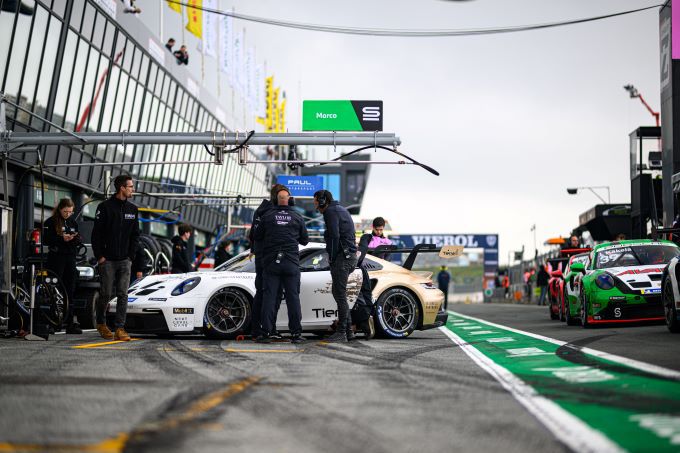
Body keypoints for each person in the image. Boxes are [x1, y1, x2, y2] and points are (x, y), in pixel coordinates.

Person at [254, 186, 309, 344]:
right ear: (289, 200)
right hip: (291, 262)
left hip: (272, 262)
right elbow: (305, 240)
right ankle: (296, 334)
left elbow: (257, 235)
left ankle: (266, 333)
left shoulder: (267, 216)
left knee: (269, 297)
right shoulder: (297, 216)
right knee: (293, 298)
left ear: (276, 200)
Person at [91, 175, 140, 341]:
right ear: (122, 188)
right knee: (105, 293)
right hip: (107, 260)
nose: (133, 189)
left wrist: (131, 257)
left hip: (125, 260)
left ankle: (120, 328)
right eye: (131, 187)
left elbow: (135, 235)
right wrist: (100, 256)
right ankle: (101, 323)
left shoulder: (133, 209)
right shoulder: (104, 207)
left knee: (123, 294)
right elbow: (96, 234)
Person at [314, 190, 357, 342]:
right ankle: (349, 331)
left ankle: (341, 333)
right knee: (340, 294)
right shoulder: (341, 209)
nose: (315, 205)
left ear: (321, 201)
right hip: (349, 257)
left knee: (339, 295)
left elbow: (334, 237)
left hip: (342, 259)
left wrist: (331, 257)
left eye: (316, 201)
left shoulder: (330, 212)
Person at [249, 184, 287, 340]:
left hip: (261, 256)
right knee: (273, 293)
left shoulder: (260, 211)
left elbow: (253, 234)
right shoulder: (273, 213)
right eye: (284, 197)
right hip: (271, 256)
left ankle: (260, 328)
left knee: (263, 293)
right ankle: (267, 329)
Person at [43, 198, 82, 334]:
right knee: (54, 289)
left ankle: (70, 322)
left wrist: (75, 238)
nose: (67, 214)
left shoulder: (73, 222)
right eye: (65, 211)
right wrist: (61, 239)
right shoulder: (51, 222)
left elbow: (78, 239)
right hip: (56, 258)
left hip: (70, 258)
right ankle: (53, 322)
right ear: (60, 209)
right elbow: (46, 239)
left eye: (70, 212)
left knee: (70, 289)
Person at [355, 217, 392, 339]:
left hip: (380, 273)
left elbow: (388, 259)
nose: (379, 232)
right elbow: (362, 251)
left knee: (376, 300)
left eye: (381, 230)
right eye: (377, 229)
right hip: (365, 272)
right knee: (364, 299)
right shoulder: (366, 238)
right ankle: (364, 324)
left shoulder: (387, 242)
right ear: (373, 227)